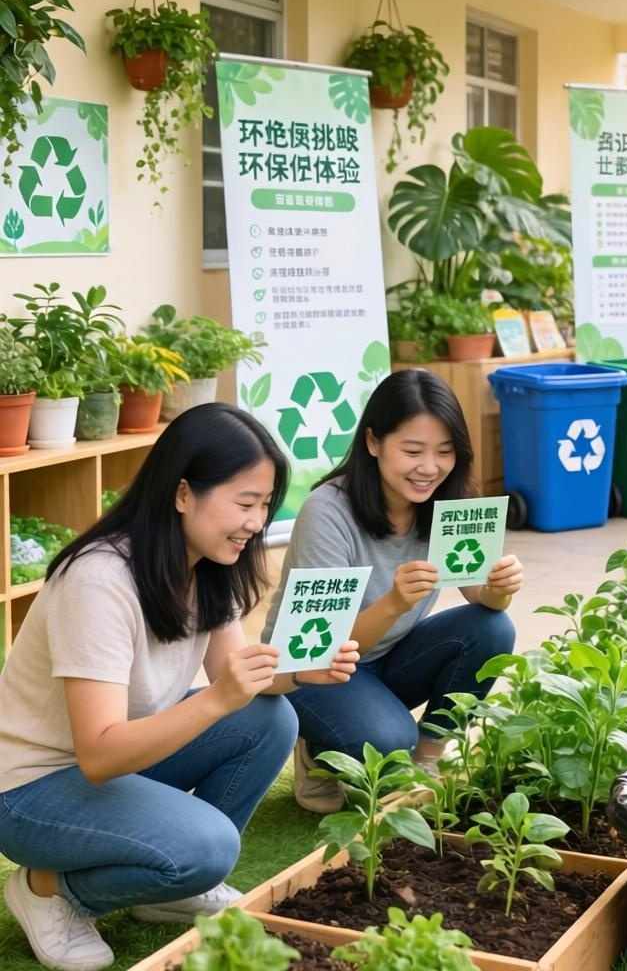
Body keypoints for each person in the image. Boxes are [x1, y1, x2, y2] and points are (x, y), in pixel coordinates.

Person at [0, 404, 359, 971]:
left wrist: (300, 672)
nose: (256, 522)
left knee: (271, 720)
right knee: (209, 845)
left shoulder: (206, 565)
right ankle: (52, 889)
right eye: (244, 503)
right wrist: (220, 699)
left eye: (264, 505)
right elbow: (97, 755)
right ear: (183, 493)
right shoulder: (98, 580)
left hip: (115, 765)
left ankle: (173, 885)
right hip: (31, 791)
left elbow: (233, 676)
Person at [264, 369, 520, 814]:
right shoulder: (327, 512)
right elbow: (321, 646)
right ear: (373, 443)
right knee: (388, 738)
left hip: (387, 660)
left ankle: (427, 758)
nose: (430, 468)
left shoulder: (447, 498)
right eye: (413, 450)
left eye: (444, 452)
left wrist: (499, 590)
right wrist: (395, 603)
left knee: (493, 627)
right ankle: (317, 748)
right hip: (311, 669)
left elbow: (480, 597)